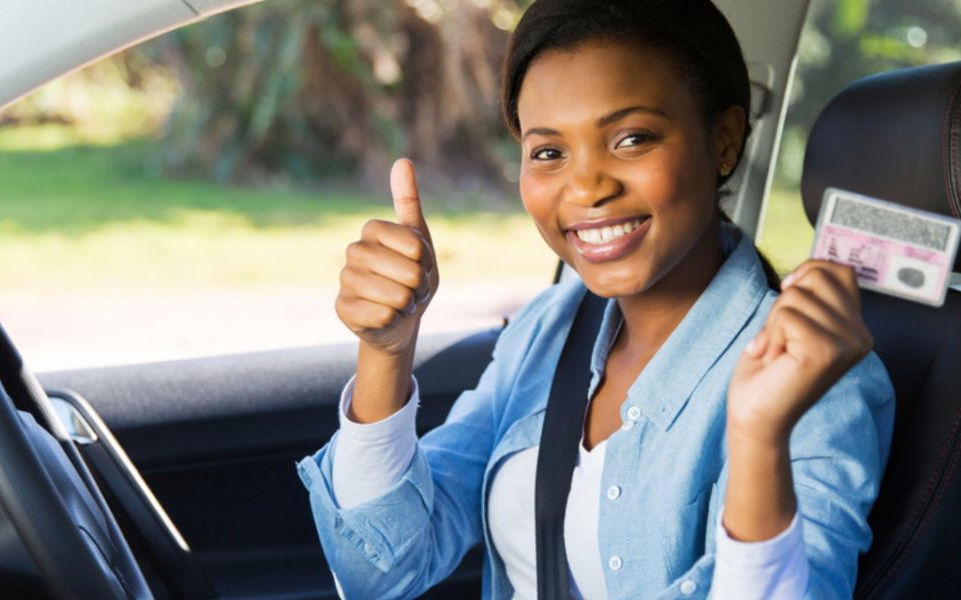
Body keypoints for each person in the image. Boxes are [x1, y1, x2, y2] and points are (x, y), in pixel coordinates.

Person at [296, 0, 895, 597]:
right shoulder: (548, 327)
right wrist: (386, 349)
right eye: (549, 152)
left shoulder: (814, 382)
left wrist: (761, 437)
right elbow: (382, 572)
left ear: (724, 141)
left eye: (632, 139)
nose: (586, 187)